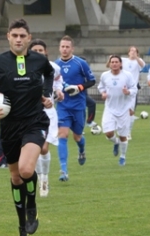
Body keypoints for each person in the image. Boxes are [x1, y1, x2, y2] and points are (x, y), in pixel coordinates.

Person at [0, 18, 55, 236]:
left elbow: (49, 74)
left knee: (26, 169)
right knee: (15, 177)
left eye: (23, 36)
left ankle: (32, 205)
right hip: (8, 127)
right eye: (15, 35)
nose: (19, 39)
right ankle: (22, 230)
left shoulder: (39, 60)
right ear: (8, 37)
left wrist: (47, 94)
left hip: (34, 122)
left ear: (29, 38)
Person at [55, 35, 96, 181]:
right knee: (62, 134)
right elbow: (52, 83)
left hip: (78, 106)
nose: (64, 49)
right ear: (59, 48)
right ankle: (63, 170)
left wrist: (79, 87)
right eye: (62, 46)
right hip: (63, 106)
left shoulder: (80, 63)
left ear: (72, 48)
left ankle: (81, 150)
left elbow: (92, 81)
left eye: (67, 47)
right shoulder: (55, 65)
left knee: (77, 136)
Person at [29, 38, 64, 197]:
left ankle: (44, 179)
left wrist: (58, 91)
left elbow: (58, 79)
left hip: (48, 112)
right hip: (29, 112)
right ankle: (38, 177)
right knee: (35, 149)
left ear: (46, 52)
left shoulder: (53, 67)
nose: (37, 53)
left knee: (43, 148)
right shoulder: (24, 68)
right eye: (34, 51)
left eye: (40, 51)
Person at [98, 55, 137, 166]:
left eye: (116, 62)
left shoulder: (127, 75)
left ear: (120, 64)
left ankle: (123, 157)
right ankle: (116, 143)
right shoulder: (105, 75)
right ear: (109, 64)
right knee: (108, 133)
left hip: (124, 109)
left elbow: (134, 89)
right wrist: (103, 93)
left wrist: (128, 92)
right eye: (112, 62)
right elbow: (101, 87)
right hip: (110, 108)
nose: (114, 64)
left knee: (123, 135)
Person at [121, 46, 145, 140]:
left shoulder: (138, 61)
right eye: (131, 50)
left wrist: (136, 57)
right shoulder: (123, 60)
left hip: (132, 90)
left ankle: (128, 132)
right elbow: (112, 60)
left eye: (135, 51)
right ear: (128, 52)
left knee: (130, 112)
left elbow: (142, 65)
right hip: (122, 89)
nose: (132, 52)